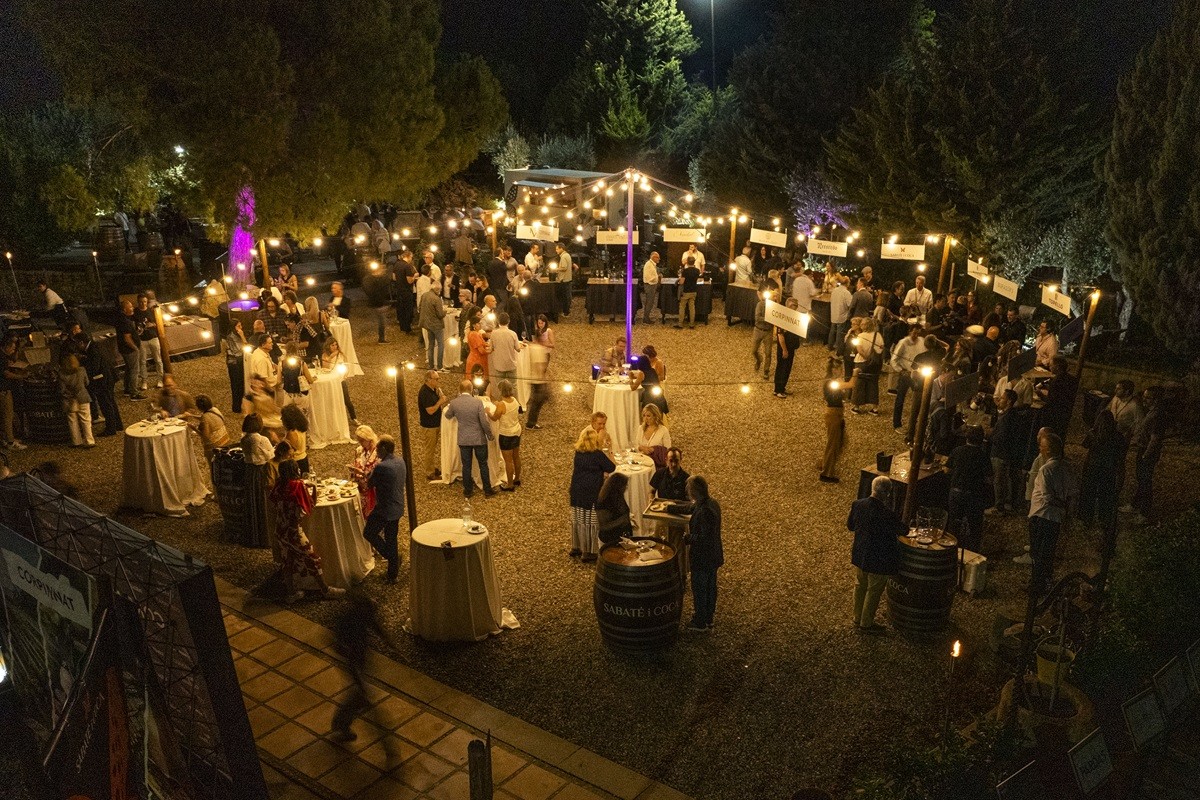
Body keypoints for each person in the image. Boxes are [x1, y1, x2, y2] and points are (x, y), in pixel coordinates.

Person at [330, 588, 403, 752]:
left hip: (361, 659)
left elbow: (376, 626)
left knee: (359, 697)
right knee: (362, 697)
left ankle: (340, 724)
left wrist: (391, 644)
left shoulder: (363, 612)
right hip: (354, 662)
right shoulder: (346, 620)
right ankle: (385, 744)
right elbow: (337, 643)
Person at [271, 459, 345, 602]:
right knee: (312, 558)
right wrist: (314, 487)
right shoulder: (298, 486)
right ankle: (325, 589)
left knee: (287, 560)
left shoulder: (279, 484)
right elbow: (311, 505)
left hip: (280, 529)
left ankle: (291, 592)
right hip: (293, 531)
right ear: (294, 470)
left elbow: (273, 501)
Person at [846, 476, 905, 633]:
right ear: (886, 494)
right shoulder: (888, 515)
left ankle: (857, 617)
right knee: (873, 591)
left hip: (860, 554)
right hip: (879, 559)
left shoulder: (858, 505)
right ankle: (866, 623)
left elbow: (850, 526)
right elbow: (903, 530)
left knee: (860, 586)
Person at [1020, 432, 1072, 592]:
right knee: (1048, 552)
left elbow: (1047, 497)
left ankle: (1036, 585)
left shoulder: (1045, 470)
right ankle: (1046, 581)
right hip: (1055, 518)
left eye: (1042, 446)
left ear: (1048, 450)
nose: (1040, 449)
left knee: (1038, 554)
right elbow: (1073, 491)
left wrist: (1061, 504)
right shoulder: (1065, 467)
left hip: (1042, 515)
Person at [362, 435, 407, 583]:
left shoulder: (381, 467)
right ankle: (392, 574)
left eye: (378, 449)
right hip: (398, 505)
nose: (376, 452)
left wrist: (366, 474)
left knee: (369, 532)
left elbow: (369, 484)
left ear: (384, 449)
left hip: (385, 509)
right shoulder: (400, 461)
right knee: (391, 537)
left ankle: (392, 557)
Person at [569, 428, 616, 562]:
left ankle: (576, 547)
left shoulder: (578, 453)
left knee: (578, 519)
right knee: (590, 522)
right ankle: (589, 551)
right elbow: (611, 467)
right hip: (591, 492)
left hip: (577, 490)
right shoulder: (597, 455)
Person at [444, 379, 496, 498]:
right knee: (483, 464)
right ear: (471, 389)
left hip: (464, 439)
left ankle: (468, 491)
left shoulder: (454, 403)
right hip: (478, 438)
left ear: (459, 390)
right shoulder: (477, 403)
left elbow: (448, 416)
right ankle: (487, 490)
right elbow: (483, 421)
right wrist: (489, 434)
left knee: (466, 465)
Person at [684, 475, 723, 632]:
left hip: (703, 557)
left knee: (700, 588)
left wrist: (688, 538)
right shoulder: (711, 503)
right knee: (710, 587)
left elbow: (703, 538)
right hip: (714, 555)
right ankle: (709, 618)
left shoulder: (704, 511)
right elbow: (691, 508)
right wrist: (669, 508)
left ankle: (700, 622)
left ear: (694, 491)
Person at [1078, 409, 1126, 528]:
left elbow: (1084, 445)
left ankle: (1086, 518)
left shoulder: (1093, 434)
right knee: (1106, 493)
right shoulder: (1118, 436)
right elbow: (1121, 454)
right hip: (1109, 468)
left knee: (1089, 492)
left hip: (1092, 466)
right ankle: (1104, 518)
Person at [1124, 385, 1164, 525]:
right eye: (1144, 396)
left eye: (1148, 397)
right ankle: (1135, 505)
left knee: (1145, 481)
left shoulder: (1157, 415)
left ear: (1156, 399)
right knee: (1141, 478)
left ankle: (1144, 513)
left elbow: (1155, 438)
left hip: (1148, 452)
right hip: (1143, 449)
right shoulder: (1152, 412)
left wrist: (1146, 454)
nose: (1144, 400)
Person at [946, 426, 991, 552]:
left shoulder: (957, 451)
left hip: (956, 492)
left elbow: (947, 470)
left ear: (966, 438)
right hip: (974, 495)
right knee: (975, 525)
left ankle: (951, 549)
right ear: (982, 440)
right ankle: (973, 552)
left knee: (954, 523)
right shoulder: (983, 456)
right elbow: (989, 479)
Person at [73, 330, 122, 436]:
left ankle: (111, 428)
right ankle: (117, 424)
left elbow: (94, 368)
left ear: (81, 342)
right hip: (108, 377)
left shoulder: (93, 351)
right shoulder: (96, 346)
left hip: (102, 380)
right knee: (111, 401)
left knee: (106, 404)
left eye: (77, 343)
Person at [987, 390, 1023, 514]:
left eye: (1002, 398)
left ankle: (999, 507)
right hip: (1008, 453)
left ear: (1008, 401)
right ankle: (1008, 504)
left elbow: (1000, 438)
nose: (999, 400)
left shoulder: (1006, 418)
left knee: (998, 480)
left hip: (1000, 453)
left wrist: (989, 435)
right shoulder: (1014, 415)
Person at [819, 360, 852, 483]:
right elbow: (851, 384)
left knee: (839, 442)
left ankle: (824, 463)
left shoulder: (834, 382)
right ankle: (827, 473)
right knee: (833, 445)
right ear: (832, 369)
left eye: (840, 368)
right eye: (837, 368)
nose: (840, 370)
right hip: (833, 414)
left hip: (836, 413)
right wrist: (856, 372)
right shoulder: (831, 383)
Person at [890, 324, 926, 433]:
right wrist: (900, 370)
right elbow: (894, 359)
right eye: (914, 332)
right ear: (910, 331)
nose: (916, 335)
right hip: (905, 374)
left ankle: (915, 423)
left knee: (919, 398)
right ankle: (897, 424)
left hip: (918, 374)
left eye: (918, 333)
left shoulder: (921, 341)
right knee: (900, 398)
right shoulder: (903, 343)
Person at [489, 379, 522, 490]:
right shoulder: (514, 400)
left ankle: (510, 484)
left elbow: (494, 418)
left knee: (508, 461)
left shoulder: (502, 405)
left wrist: (487, 412)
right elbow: (499, 404)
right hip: (516, 431)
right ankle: (517, 478)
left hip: (506, 434)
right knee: (516, 457)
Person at [1036, 356, 1078, 441]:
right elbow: (1062, 393)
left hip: (1055, 415)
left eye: (1051, 365)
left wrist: (1040, 394)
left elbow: (1050, 401)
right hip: (1066, 412)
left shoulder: (1056, 381)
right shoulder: (1072, 379)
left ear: (1057, 367)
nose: (1049, 367)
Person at [58, 354, 94, 447]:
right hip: (82, 397)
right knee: (86, 419)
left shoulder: (62, 373)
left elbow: (61, 389)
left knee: (72, 421)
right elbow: (87, 382)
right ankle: (89, 441)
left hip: (69, 399)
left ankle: (76, 441)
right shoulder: (81, 370)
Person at [417, 371, 448, 481]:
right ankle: (429, 472)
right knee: (430, 449)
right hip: (429, 425)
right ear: (429, 380)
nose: (438, 381)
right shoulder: (424, 393)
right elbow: (430, 410)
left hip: (435, 423)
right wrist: (440, 401)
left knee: (432, 447)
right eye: (436, 379)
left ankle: (431, 467)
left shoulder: (433, 390)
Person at [851, 318, 885, 414]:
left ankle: (856, 407)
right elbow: (881, 347)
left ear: (864, 325)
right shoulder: (877, 335)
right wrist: (872, 358)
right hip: (874, 363)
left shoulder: (861, 336)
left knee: (859, 384)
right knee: (873, 384)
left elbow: (859, 349)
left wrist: (866, 358)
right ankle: (874, 408)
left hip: (861, 362)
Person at [321, 338, 358, 426]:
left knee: (347, 400)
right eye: (332, 345)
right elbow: (325, 368)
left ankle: (354, 418)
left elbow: (346, 366)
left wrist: (345, 373)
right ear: (328, 346)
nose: (334, 347)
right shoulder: (325, 355)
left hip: (340, 380)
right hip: (331, 381)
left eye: (336, 345)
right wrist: (330, 357)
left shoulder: (340, 354)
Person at [134, 293, 163, 390]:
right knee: (142, 361)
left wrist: (152, 325)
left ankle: (160, 380)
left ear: (147, 302)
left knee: (158, 360)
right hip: (142, 339)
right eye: (141, 302)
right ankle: (144, 381)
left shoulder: (151, 311)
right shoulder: (135, 312)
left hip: (153, 337)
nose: (143, 304)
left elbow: (158, 322)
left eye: (145, 302)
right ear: (138, 302)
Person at [487, 312, 522, 393]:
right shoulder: (513, 334)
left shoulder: (494, 334)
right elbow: (518, 349)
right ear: (508, 321)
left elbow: (490, 349)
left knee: (500, 387)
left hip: (499, 365)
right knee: (513, 386)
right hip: (511, 364)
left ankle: (502, 404)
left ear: (498, 322)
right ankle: (514, 404)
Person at [349, 425, 379, 517]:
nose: (360, 443)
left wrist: (361, 473)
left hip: (373, 489)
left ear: (369, 439)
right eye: (359, 440)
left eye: (362, 440)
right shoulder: (358, 450)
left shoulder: (378, 452)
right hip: (360, 487)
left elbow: (377, 473)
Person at [774, 297, 801, 398]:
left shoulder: (793, 317)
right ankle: (778, 389)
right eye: (794, 306)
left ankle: (782, 388)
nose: (796, 308)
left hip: (791, 347)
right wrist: (784, 350)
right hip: (785, 348)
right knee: (782, 368)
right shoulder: (783, 318)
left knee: (787, 368)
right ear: (789, 306)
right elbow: (780, 336)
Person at [595, 472, 633, 545]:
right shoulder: (603, 502)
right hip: (610, 539)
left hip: (622, 536)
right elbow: (603, 526)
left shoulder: (618, 496)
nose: (626, 487)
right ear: (618, 487)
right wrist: (622, 520)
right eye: (625, 485)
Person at [193, 395, 231, 462]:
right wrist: (191, 415)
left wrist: (193, 428)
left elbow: (205, 436)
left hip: (214, 447)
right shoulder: (214, 409)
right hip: (225, 441)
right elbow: (208, 418)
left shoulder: (205, 417)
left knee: (214, 466)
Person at [419, 279, 447, 370]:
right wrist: (445, 311)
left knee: (430, 345)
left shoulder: (424, 295)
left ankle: (430, 366)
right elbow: (440, 314)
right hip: (436, 325)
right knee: (440, 344)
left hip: (427, 324)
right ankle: (439, 366)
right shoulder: (437, 299)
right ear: (438, 290)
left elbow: (420, 307)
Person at [636, 403, 672, 468]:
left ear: (655, 416)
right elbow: (636, 445)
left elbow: (668, 450)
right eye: (644, 416)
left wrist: (654, 450)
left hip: (656, 465)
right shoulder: (641, 428)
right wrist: (641, 448)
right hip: (641, 463)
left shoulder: (663, 430)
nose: (645, 419)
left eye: (648, 416)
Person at [790, 267, 819, 341]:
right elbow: (812, 293)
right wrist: (817, 292)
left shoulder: (796, 280)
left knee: (796, 323)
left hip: (796, 305)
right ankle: (806, 340)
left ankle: (795, 338)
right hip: (805, 306)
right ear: (809, 275)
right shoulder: (809, 281)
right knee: (806, 324)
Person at [752, 289, 776, 380]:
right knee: (754, 351)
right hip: (758, 330)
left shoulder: (775, 308)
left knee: (768, 353)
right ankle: (758, 359)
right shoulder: (760, 305)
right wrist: (768, 318)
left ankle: (766, 370)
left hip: (768, 331)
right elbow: (757, 318)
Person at [280, 403, 310, 475]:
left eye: (283, 417)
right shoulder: (301, 428)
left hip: (295, 463)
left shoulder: (292, 433)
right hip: (304, 458)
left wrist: (276, 440)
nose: (281, 419)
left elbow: (288, 451)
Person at [393, 249, 418, 332]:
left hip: (399, 290)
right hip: (407, 291)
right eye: (411, 257)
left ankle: (402, 327)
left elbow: (394, 277)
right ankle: (407, 328)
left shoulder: (396, 264)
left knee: (401, 308)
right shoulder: (407, 266)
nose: (411, 259)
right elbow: (409, 280)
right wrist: (415, 276)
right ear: (408, 256)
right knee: (408, 309)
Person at [675, 256, 701, 329]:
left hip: (686, 291)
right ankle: (691, 324)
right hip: (694, 291)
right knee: (692, 308)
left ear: (687, 262)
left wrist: (679, 280)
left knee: (682, 307)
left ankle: (680, 324)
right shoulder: (697, 270)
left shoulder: (685, 271)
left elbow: (682, 282)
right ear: (694, 262)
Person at [828, 276, 852, 352]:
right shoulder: (846, 293)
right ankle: (839, 349)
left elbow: (831, 300)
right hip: (842, 315)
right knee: (840, 333)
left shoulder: (834, 290)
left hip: (833, 313)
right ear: (847, 283)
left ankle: (830, 346)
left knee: (832, 331)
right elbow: (850, 304)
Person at [465, 315, 489, 383]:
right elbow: (481, 351)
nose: (480, 325)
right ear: (473, 325)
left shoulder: (475, 333)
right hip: (476, 361)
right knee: (477, 383)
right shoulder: (474, 334)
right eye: (479, 323)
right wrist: (491, 350)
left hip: (476, 359)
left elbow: (483, 344)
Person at [553, 242, 573, 316]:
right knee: (567, 296)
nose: (556, 251)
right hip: (568, 278)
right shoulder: (567, 255)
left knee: (564, 297)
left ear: (562, 249)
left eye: (557, 249)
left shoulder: (563, 256)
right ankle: (566, 311)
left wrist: (556, 269)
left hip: (564, 279)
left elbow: (564, 268)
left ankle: (565, 312)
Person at [642, 251, 661, 324]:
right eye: (658, 257)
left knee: (650, 302)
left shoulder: (652, 264)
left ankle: (646, 317)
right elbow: (649, 276)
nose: (659, 259)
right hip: (650, 285)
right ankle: (646, 318)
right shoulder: (649, 265)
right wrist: (658, 277)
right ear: (654, 257)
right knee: (649, 302)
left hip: (651, 285)